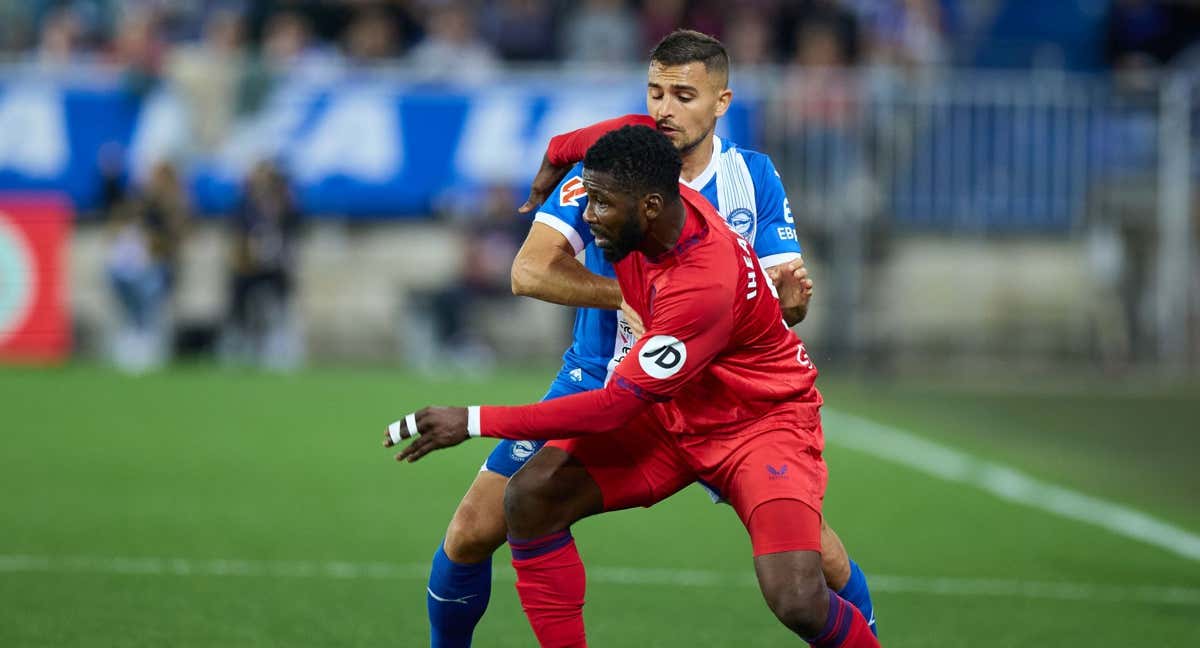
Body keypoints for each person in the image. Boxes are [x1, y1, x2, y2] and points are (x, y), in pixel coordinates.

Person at [421, 30, 876, 647]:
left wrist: (788, 303)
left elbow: (774, 306)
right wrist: (628, 296)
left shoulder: (751, 179)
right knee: (476, 527)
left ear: (721, 103)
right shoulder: (612, 168)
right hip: (603, 375)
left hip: (726, 399)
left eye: (684, 95)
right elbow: (528, 270)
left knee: (815, 565)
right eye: (655, 92)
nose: (665, 108)